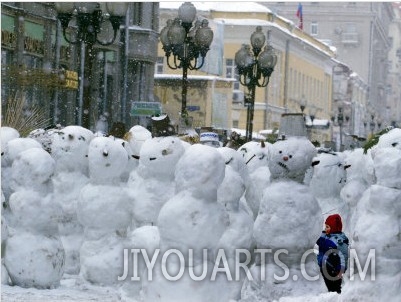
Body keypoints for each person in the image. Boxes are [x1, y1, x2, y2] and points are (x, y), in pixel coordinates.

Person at [316, 214, 349, 294]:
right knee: (329, 287)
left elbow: (344, 255)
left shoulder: (339, 240)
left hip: (333, 269)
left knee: (334, 288)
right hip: (324, 266)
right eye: (325, 226)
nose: (325, 229)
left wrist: (340, 268)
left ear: (333, 228)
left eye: (327, 227)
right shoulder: (328, 236)